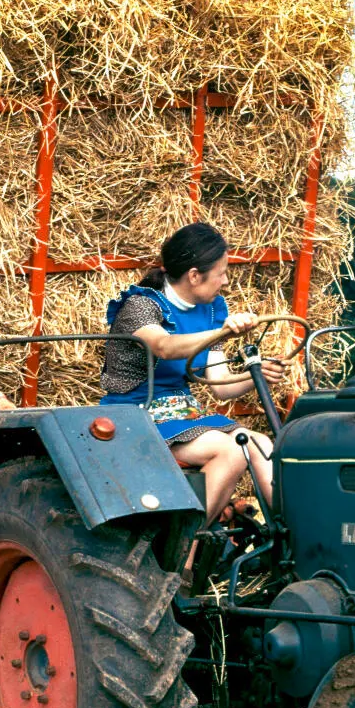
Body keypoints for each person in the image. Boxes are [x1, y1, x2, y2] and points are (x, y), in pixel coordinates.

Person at [99, 223, 285, 521]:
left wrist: (257, 375)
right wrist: (222, 333)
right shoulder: (140, 306)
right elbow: (164, 347)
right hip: (137, 416)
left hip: (184, 413)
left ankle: (295, 536)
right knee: (232, 450)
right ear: (195, 276)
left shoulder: (212, 309)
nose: (226, 281)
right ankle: (188, 543)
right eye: (221, 273)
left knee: (260, 444)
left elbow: (221, 386)